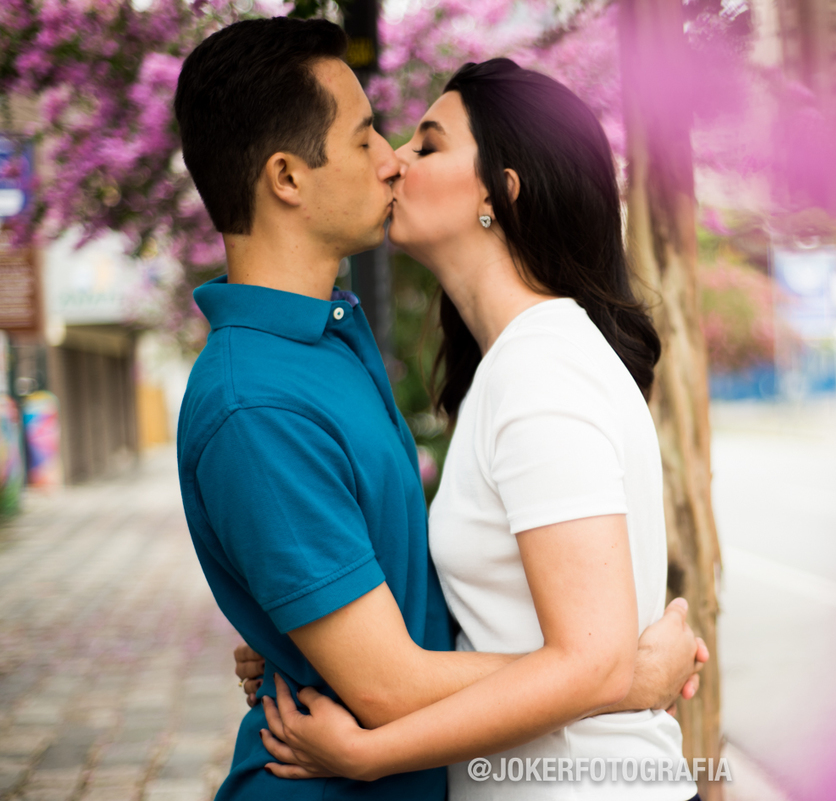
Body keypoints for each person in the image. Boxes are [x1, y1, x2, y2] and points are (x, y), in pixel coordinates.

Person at [172, 20, 703, 801]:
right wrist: (298, 633)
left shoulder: (528, 366)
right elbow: (404, 662)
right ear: (287, 178)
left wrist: (608, 666)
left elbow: (558, 647)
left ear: (499, 192)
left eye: (424, 144)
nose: (392, 159)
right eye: (369, 140)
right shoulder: (262, 396)